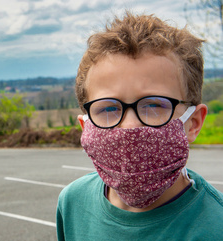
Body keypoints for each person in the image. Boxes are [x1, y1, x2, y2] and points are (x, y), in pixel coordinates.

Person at [56, 12, 223, 240]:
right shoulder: (72, 203)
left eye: (154, 106)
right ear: (86, 128)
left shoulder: (216, 225)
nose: (129, 127)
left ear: (193, 123)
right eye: (108, 109)